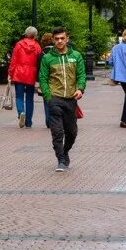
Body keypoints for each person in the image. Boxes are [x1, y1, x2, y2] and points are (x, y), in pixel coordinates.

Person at [38, 28, 85, 172]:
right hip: (55, 99)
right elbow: (43, 79)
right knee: (57, 132)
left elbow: (81, 75)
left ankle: (65, 151)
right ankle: (61, 159)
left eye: (62, 38)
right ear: (53, 40)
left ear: (67, 39)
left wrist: (80, 89)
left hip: (71, 100)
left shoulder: (76, 56)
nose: (59, 41)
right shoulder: (47, 58)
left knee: (72, 132)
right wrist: (48, 97)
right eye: (57, 38)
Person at [8, 27, 43, 129]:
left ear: (25, 34)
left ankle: (21, 113)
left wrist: (10, 73)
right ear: (35, 35)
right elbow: (39, 62)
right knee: (29, 98)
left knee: (19, 96)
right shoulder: (37, 46)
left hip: (19, 73)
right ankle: (28, 122)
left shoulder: (19, 44)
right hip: (31, 74)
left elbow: (14, 60)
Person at [39, 32, 56, 125]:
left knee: (46, 99)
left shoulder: (41, 54)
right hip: (56, 79)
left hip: (45, 80)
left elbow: (39, 69)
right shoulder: (57, 52)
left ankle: (48, 120)